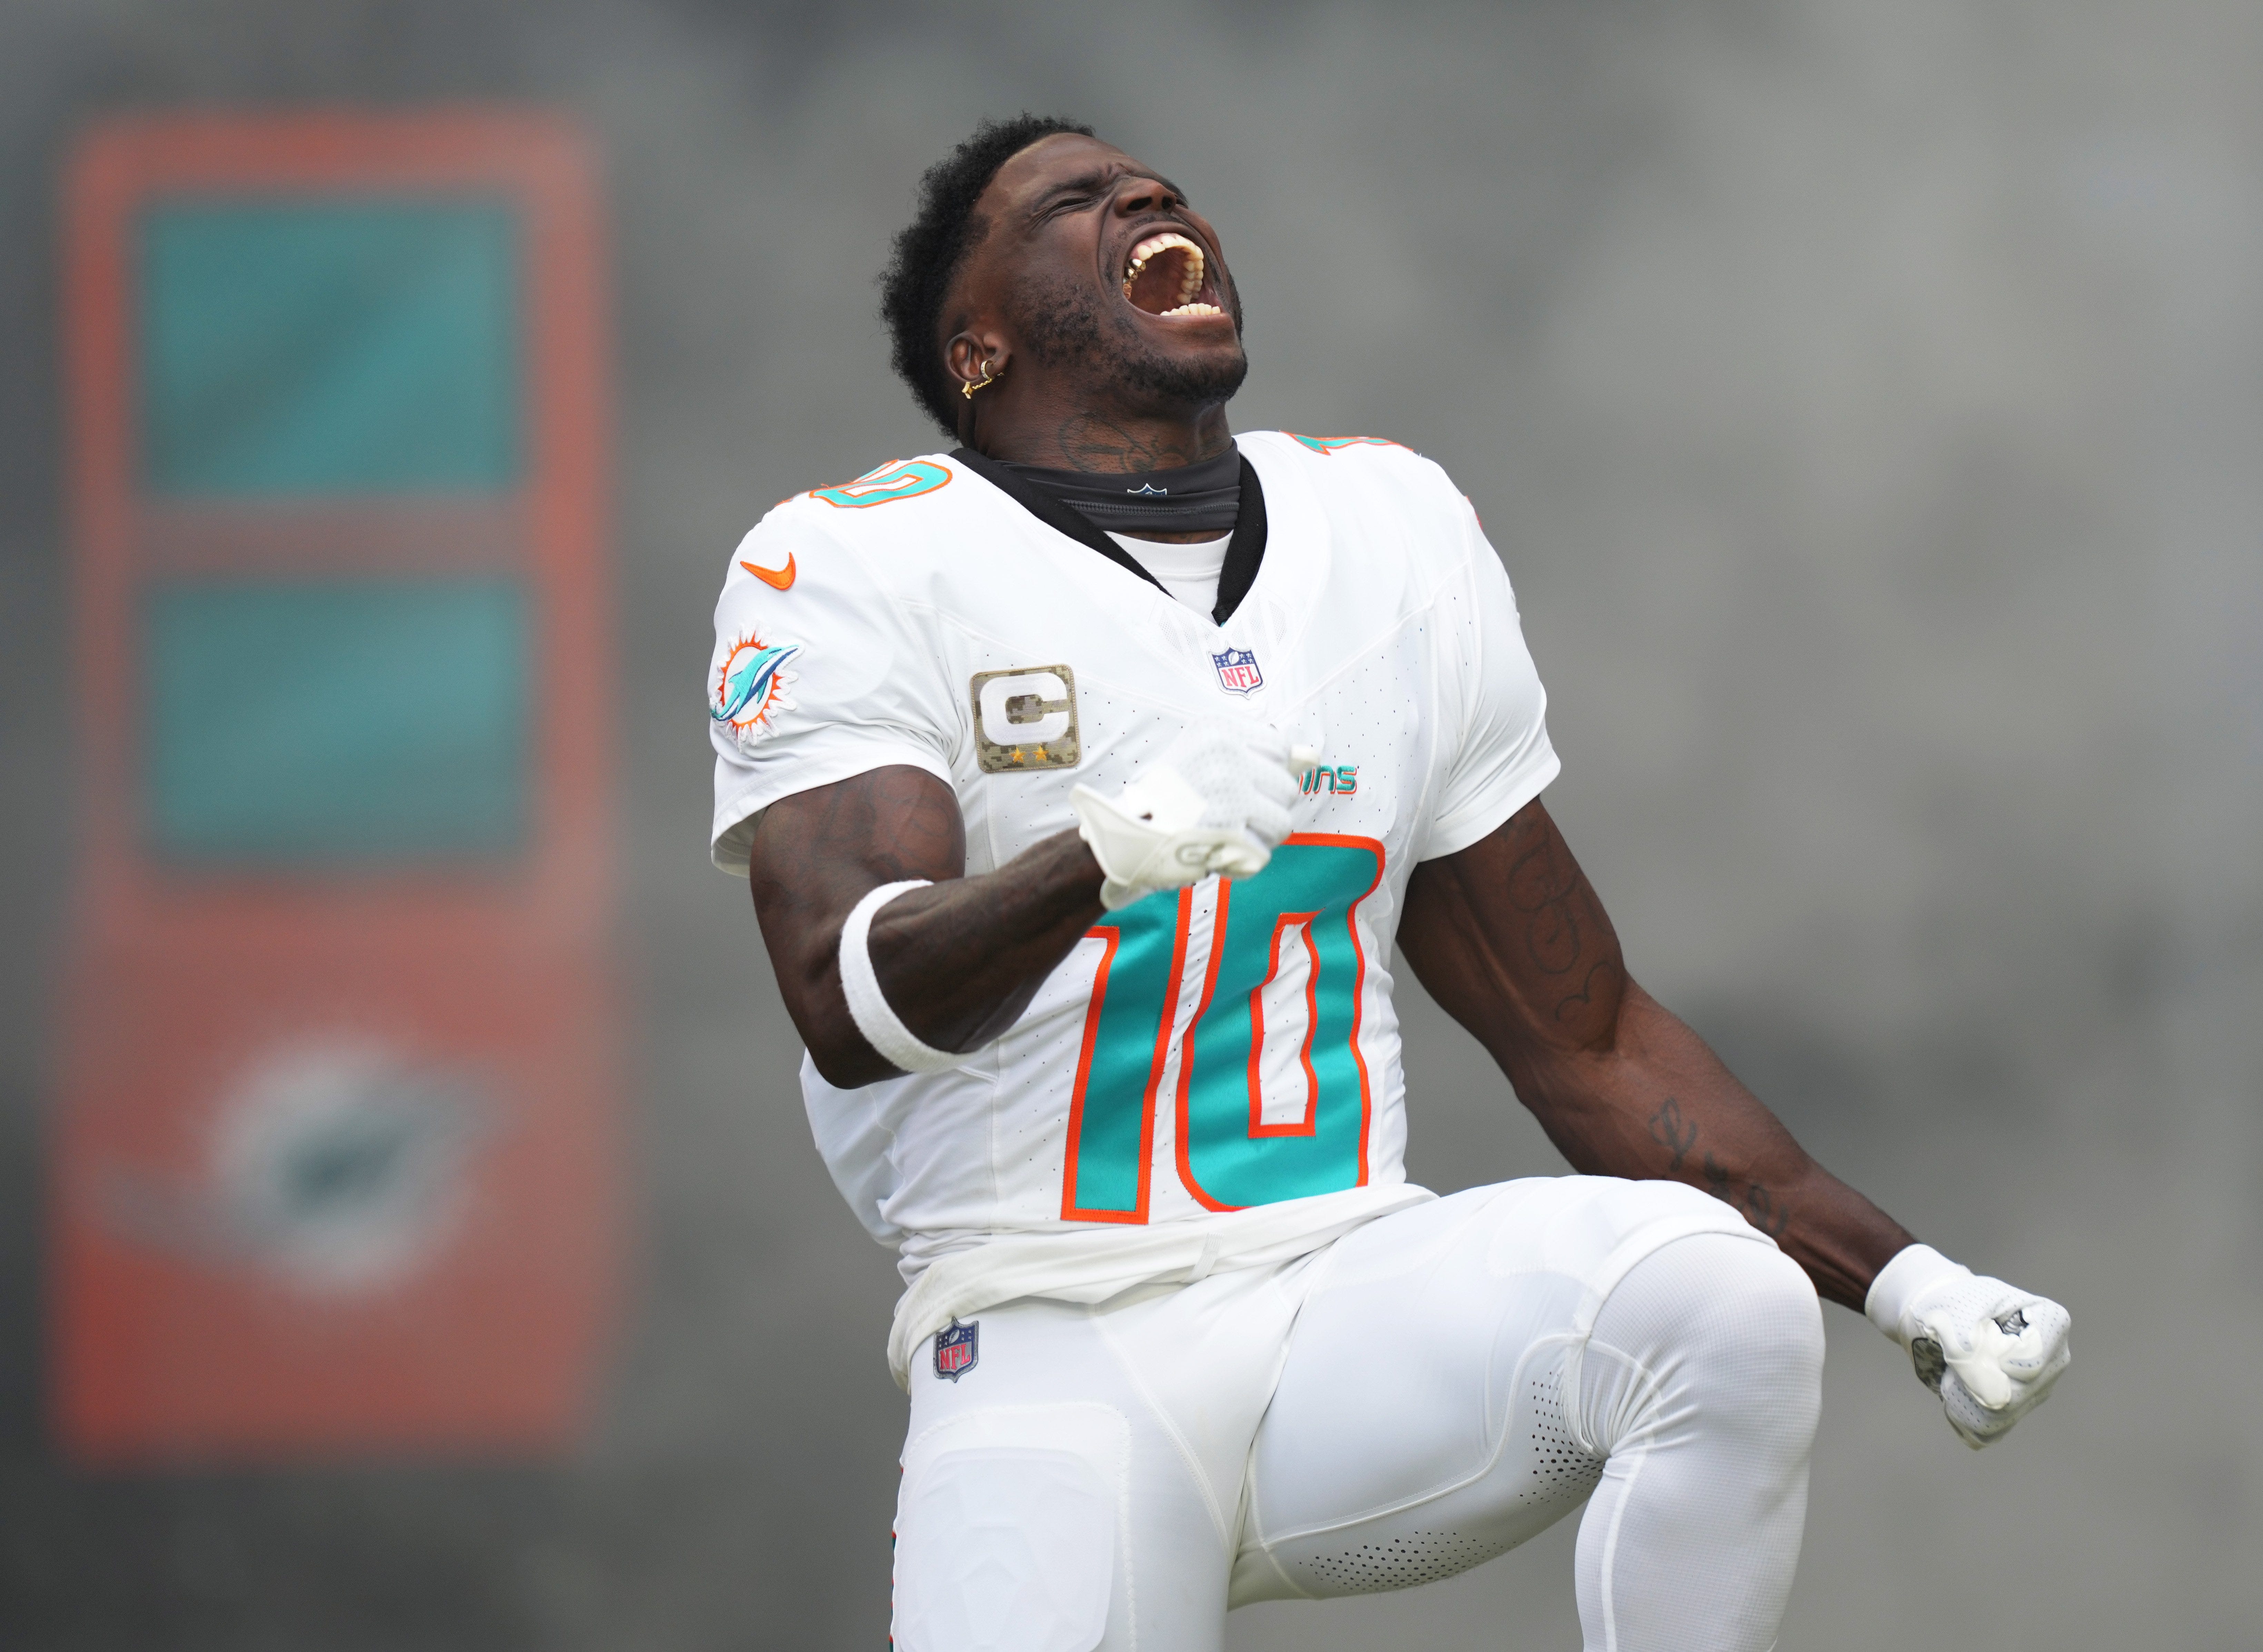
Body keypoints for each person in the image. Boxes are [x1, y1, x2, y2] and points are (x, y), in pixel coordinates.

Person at [705, 113, 2070, 1652]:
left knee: (1721, 1302)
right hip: (1052, 1334)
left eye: (1152, 182)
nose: (1147, 195)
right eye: (1072, 203)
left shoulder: (1391, 531)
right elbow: (849, 995)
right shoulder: (859, 561)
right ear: (978, 347)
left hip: (1343, 1294)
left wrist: (1903, 1278)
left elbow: (1587, 1034)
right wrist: (1106, 852)